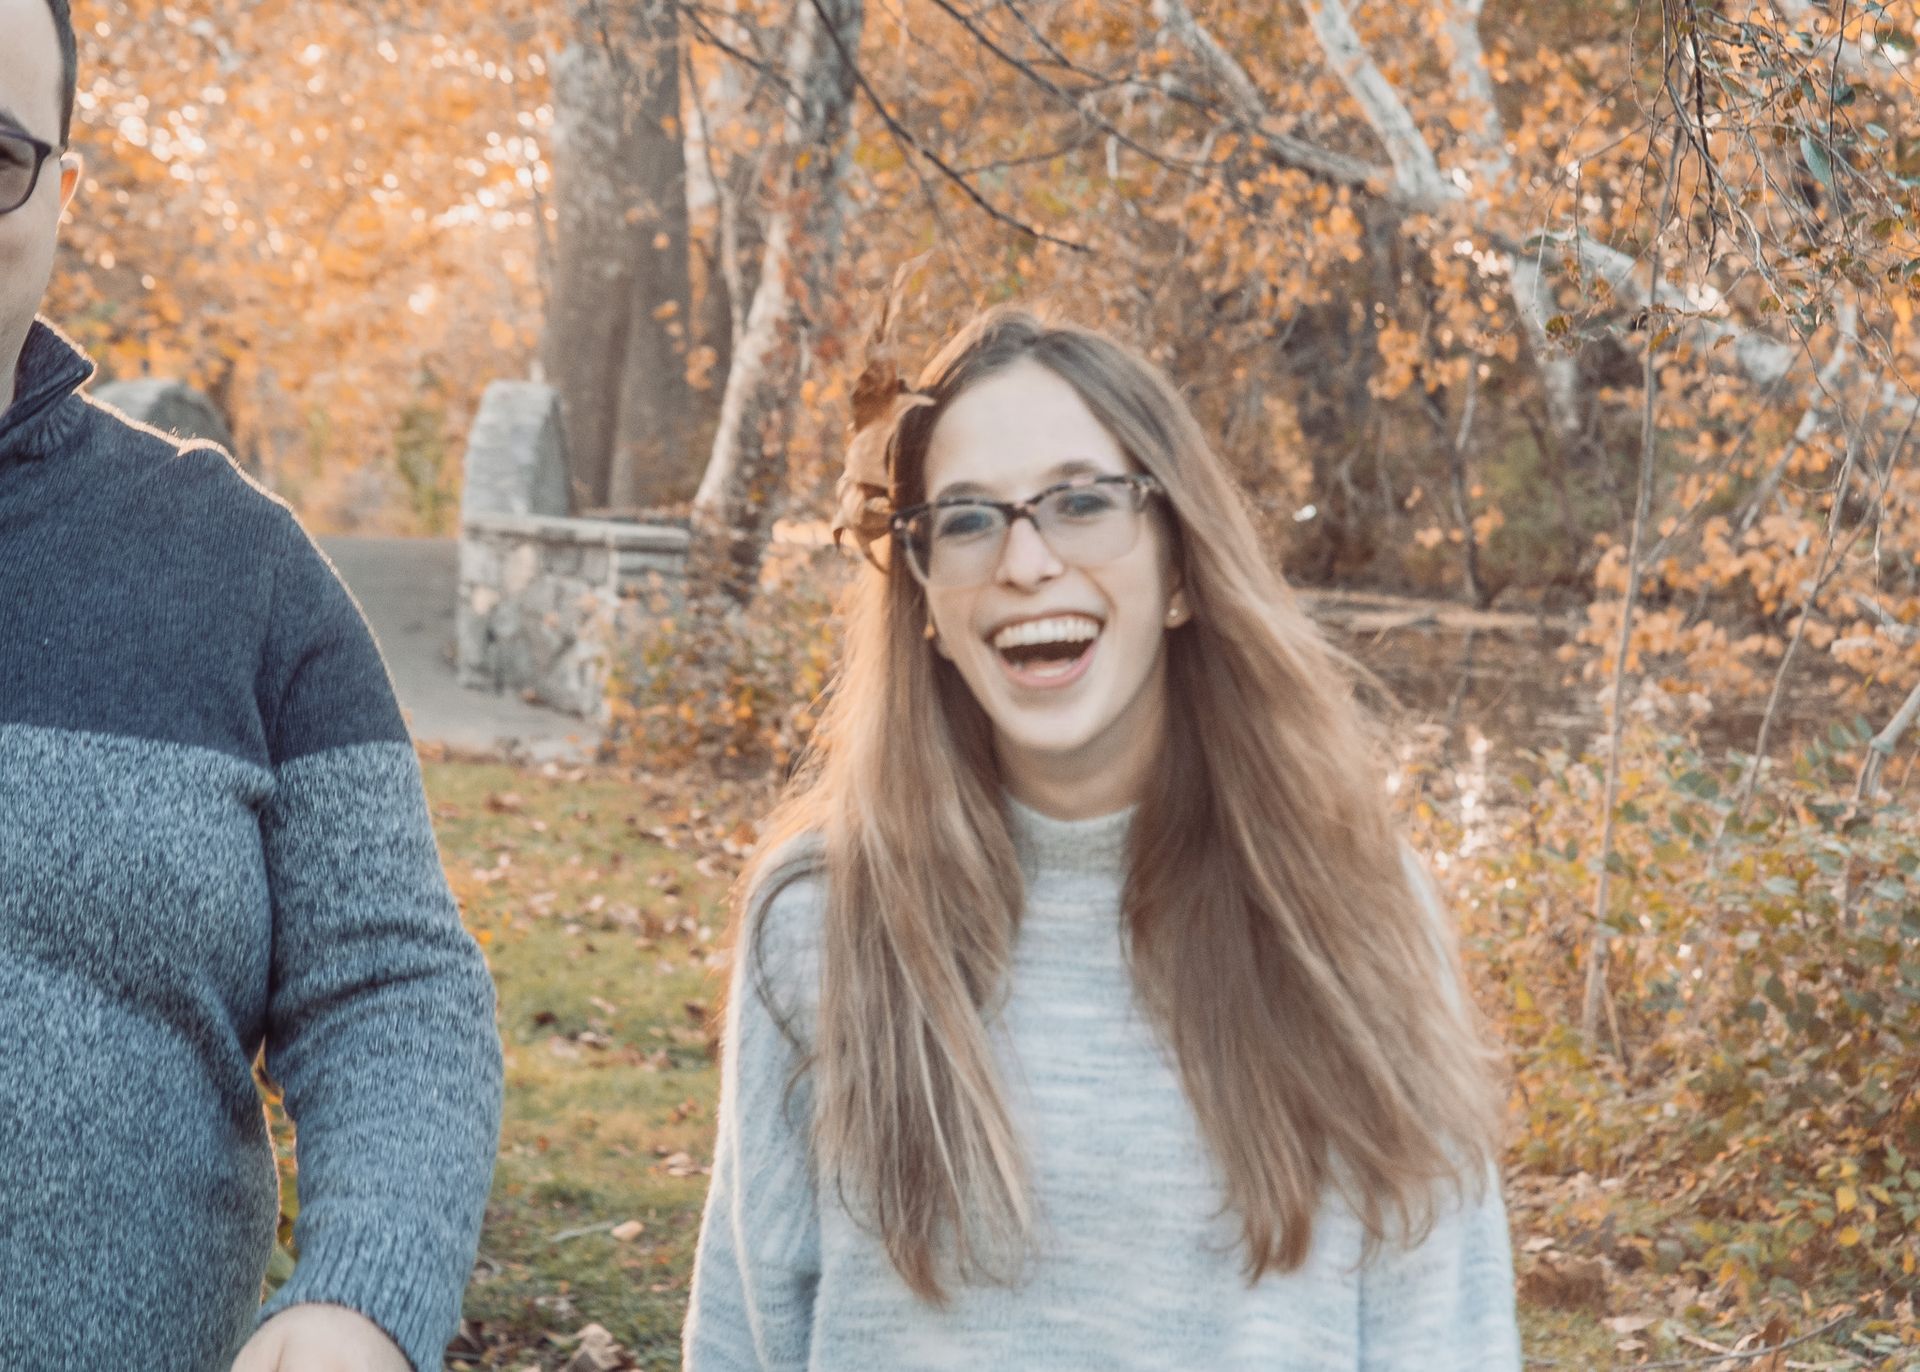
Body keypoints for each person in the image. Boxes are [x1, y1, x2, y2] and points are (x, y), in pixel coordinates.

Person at [682, 306, 1521, 1371]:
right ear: (926, 597)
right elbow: (743, 1340)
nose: (1026, 561)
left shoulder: (1359, 908)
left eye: (1081, 502)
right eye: (971, 519)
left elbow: (1443, 1338)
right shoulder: (817, 919)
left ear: (1180, 566)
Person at [0, 2, 503, 1369]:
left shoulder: (237, 567)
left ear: (61, 192)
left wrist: (362, 1296)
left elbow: (389, 983)